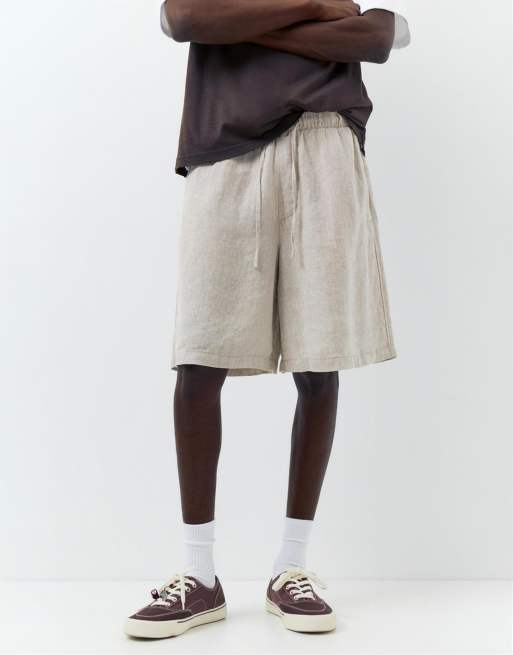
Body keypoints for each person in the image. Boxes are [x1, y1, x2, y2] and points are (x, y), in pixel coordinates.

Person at [124, 0, 410, 639]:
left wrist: (243, 27)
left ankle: (291, 567)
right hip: (224, 153)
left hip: (326, 141)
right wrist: (313, 11)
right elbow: (184, 20)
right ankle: (199, 575)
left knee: (320, 359)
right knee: (199, 357)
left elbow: (381, 34)